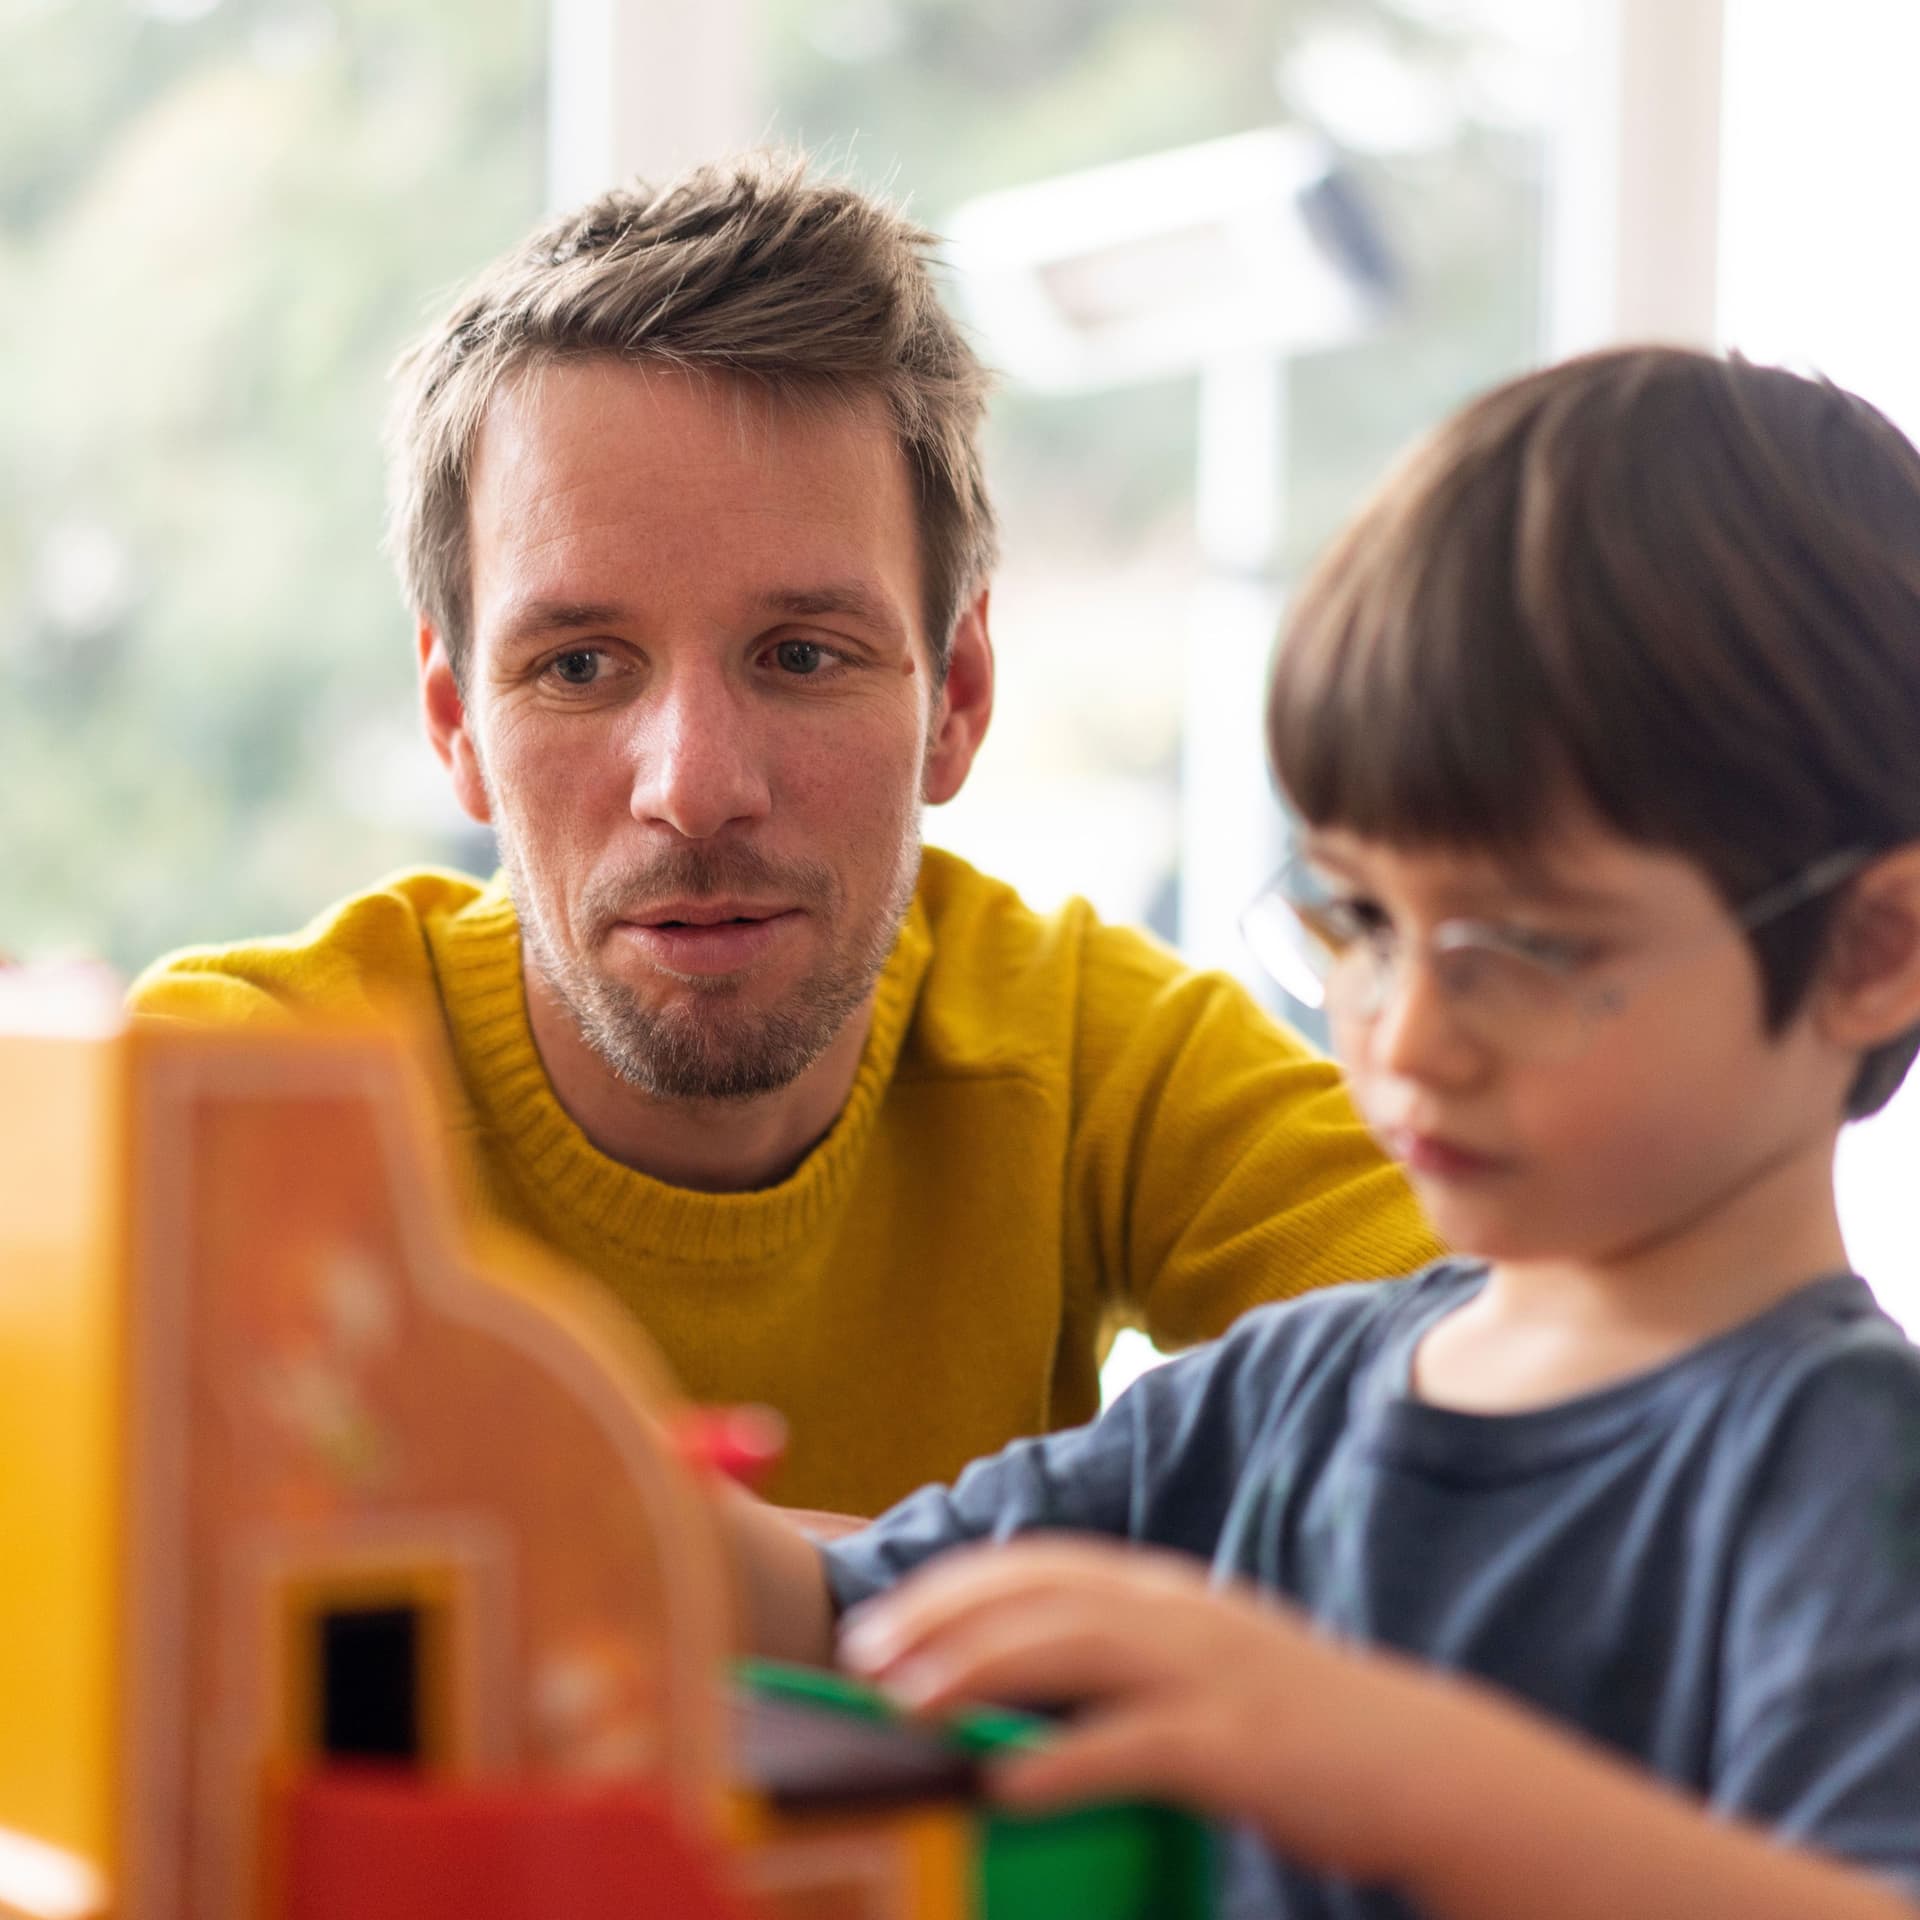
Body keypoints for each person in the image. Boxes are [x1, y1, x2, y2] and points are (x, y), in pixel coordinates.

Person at [723, 347, 1920, 1919]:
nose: (1406, 1035)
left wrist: (1384, 1764)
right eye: (1358, 918)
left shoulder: (1844, 1470)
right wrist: (569, 1470)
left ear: (1869, 953)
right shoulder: (1296, 1390)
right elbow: (837, 1616)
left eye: (1530, 951)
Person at [127, 152, 1438, 1515]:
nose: (694, 787)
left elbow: (1557, 1413)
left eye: (802, 655)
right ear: (458, 721)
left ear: (959, 695)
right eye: (579, 666)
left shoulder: (1085, 1055)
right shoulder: (236, 1090)